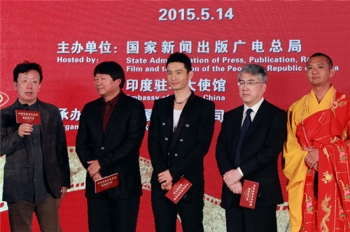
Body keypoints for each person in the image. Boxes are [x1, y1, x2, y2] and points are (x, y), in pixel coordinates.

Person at [148, 52, 215, 232]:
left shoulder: (204, 107)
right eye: (169, 73)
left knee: (192, 227)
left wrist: (173, 173)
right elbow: (153, 142)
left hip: (189, 181)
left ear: (190, 75)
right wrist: (164, 174)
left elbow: (201, 146)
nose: (173, 77)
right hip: (161, 182)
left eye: (178, 72)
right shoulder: (160, 105)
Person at [0, 61, 70, 232]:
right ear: (15, 85)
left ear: (40, 85)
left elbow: (60, 148)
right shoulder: (5, 115)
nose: (29, 85)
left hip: (47, 188)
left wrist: (64, 181)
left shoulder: (51, 112)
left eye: (34, 81)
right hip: (18, 190)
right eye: (24, 81)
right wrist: (17, 134)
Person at [76, 61, 146, 232]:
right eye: (96, 78)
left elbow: (132, 143)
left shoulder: (134, 107)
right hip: (96, 183)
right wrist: (93, 170)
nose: (98, 82)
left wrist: (101, 163)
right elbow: (81, 144)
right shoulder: (89, 108)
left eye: (103, 78)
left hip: (124, 186)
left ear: (118, 81)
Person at [283, 53, 350, 231]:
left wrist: (324, 154)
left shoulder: (346, 105)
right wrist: (308, 156)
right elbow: (290, 148)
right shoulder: (296, 108)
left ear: (332, 72)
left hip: (337, 178)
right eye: (310, 68)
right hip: (306, 174)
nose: (314, 71)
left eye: (320, 67)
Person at [216, 64, 286, 232]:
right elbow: (221, 149)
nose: (245, 87)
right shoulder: (231, 116)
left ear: (263, 87)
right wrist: (230, 178)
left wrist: (239, 172)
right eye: (241, 82)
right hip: (233, 191)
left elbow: (269, 152)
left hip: (260, 193)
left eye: (250, 82)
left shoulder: (276, 115)